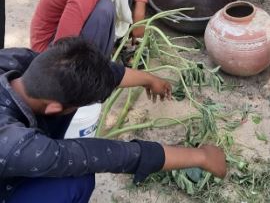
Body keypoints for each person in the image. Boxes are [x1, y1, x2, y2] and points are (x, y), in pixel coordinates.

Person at [0, 36, 227, 202]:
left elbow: (83, 70)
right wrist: (201, 156)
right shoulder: (16, 145)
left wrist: (148, 79)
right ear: (53, 108)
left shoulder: (18, 61)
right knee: (76, 180)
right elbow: (104, 155)